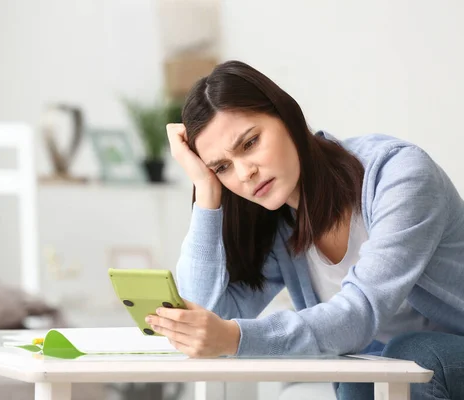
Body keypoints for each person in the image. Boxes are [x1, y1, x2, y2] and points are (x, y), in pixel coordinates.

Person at [144, 60, 464, 400]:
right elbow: (206, 316)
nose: (244, 173)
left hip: (441, 356)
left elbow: (358, 315)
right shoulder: (280, 222)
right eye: (223, 167)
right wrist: (205, 192)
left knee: (409, 355)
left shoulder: (400, 175)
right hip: (389, 365)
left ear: (287, 116)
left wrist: (235, 338)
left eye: (250, 143)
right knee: (365, 371)